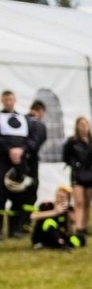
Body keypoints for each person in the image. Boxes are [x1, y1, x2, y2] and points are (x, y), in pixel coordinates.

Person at [0, 90, 36, 238]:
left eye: (11, 99)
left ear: (15, 100)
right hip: (2, 160)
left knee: (19, 196)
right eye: (6, 99)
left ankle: (15, 229)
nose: (8, 102)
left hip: (20, 161)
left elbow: (30, 138)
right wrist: (9, 150)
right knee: (0, 196)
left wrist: (21, 150)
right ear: (2, 100)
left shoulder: (24, 118)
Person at [61, 116, 92, 236]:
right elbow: (65, 157)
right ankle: (78, 227)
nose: (84, 126)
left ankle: (84, 225)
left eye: (86, 124)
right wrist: (74, 164)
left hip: (90, 174)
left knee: (87, 202)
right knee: (79, 202)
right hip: (77, 174)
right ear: (77, 126)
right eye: (81, 124)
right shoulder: (72, 142)